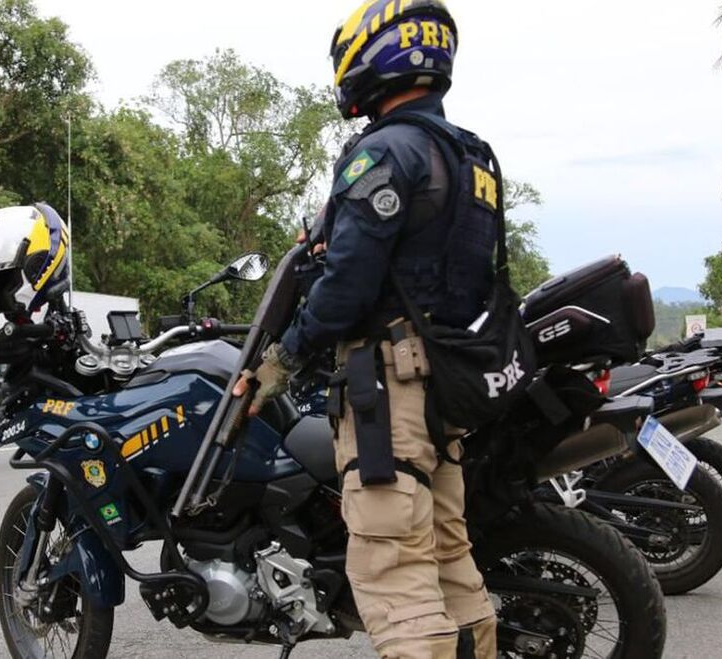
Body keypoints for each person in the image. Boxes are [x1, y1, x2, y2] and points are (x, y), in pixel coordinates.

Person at [234, 1, 499, 657]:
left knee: (395, 575)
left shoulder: (383, 153)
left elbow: (346, 290)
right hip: (448, 389)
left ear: (378, 58)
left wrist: (283, 360)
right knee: (450, 564)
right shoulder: (472, 159)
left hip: (390, 395)